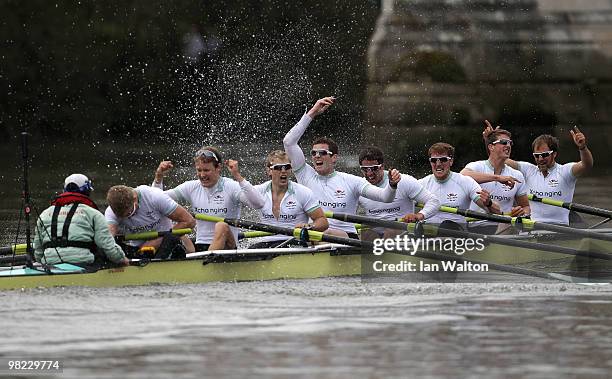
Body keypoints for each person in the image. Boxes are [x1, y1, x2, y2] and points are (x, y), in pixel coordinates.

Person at [283, 96, 401, 238]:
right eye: (313, 153)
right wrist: (312, 112)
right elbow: (288, 142)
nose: (316, 156)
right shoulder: (305, 175)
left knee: (319, 232)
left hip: (346, 238)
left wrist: (392, 185)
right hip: (314, 235)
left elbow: (385, 197)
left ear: (334, 158)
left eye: (322, 153)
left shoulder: (352, 181)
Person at [153, 146, 265, 251]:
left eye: (206, 170)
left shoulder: (231, 186)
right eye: (199, 170)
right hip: (201, 244)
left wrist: (237, 176)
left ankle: (204, 264)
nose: (202, 175)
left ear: (218, 168)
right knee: (174, 228)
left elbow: (258, 204)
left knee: (221, 226)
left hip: (228, 247)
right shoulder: (191, 187)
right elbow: (156, 201)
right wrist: (159, 177)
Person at [490, 122, 594, 225]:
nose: (540, 159)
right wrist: (492, 143)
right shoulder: (528, 170)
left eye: (544, 155)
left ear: (554, 154)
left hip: (559, 228)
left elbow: (587, 165)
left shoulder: (565, 171)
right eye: (537, 155)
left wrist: (582, 147)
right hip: (531, 227)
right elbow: (500, 160)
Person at [34, 174, 128, 268]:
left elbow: (38, 250)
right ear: (87, 191)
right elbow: (107, 245)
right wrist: (121, 259)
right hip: (83, 262)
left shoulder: (44, 214)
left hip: (50, 262)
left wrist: (42, 260)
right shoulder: (93, 214)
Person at [249, 150, 329, 249]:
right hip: (266, 242)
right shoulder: (257, 191)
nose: (283, 171)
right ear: (269, 171)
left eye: (287, 167)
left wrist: (309, 227)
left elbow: (323, 221)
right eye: (278, 168)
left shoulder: (303, 192)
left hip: (293, 241)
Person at [460, 125, 530, 234]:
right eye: (503, 142)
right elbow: (462, 176)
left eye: (509, 143)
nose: (508, 146)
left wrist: (523, 213)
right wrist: (497, 178)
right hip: (476, 226)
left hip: (504, 227)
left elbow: (526, 207)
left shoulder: (517, 175)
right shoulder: (477, 166)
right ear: (491, 147)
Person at [357, 146, 440, 238]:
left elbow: (434, 202)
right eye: (365, 169)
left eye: (374, 168)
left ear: (382, 166)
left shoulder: (404, 181)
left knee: (391, 232)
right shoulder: (359, 186)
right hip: (375, 233)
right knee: (366, 234)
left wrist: (418, 216)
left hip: (402, 230)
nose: (369, 174)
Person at [419, 142, 500, 229]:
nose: (438, 164)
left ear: (451, 161)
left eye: (443, 159)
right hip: (428, 235)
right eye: (434, 160)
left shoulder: (466, 182)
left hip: (455, 236)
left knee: (447, 225)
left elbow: (497, 212)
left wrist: (488, 203)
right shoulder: (421, 184)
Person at [105, 185, 196, 258]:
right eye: (122, 217)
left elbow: (189, 221)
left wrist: (155, 241)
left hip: (166, 243)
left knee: (170, 239)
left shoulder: (154, 197)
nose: (129, 217)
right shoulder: (111, 212)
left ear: (135, 198)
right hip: (139, 251)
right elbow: (107, 238)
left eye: (130, 213)